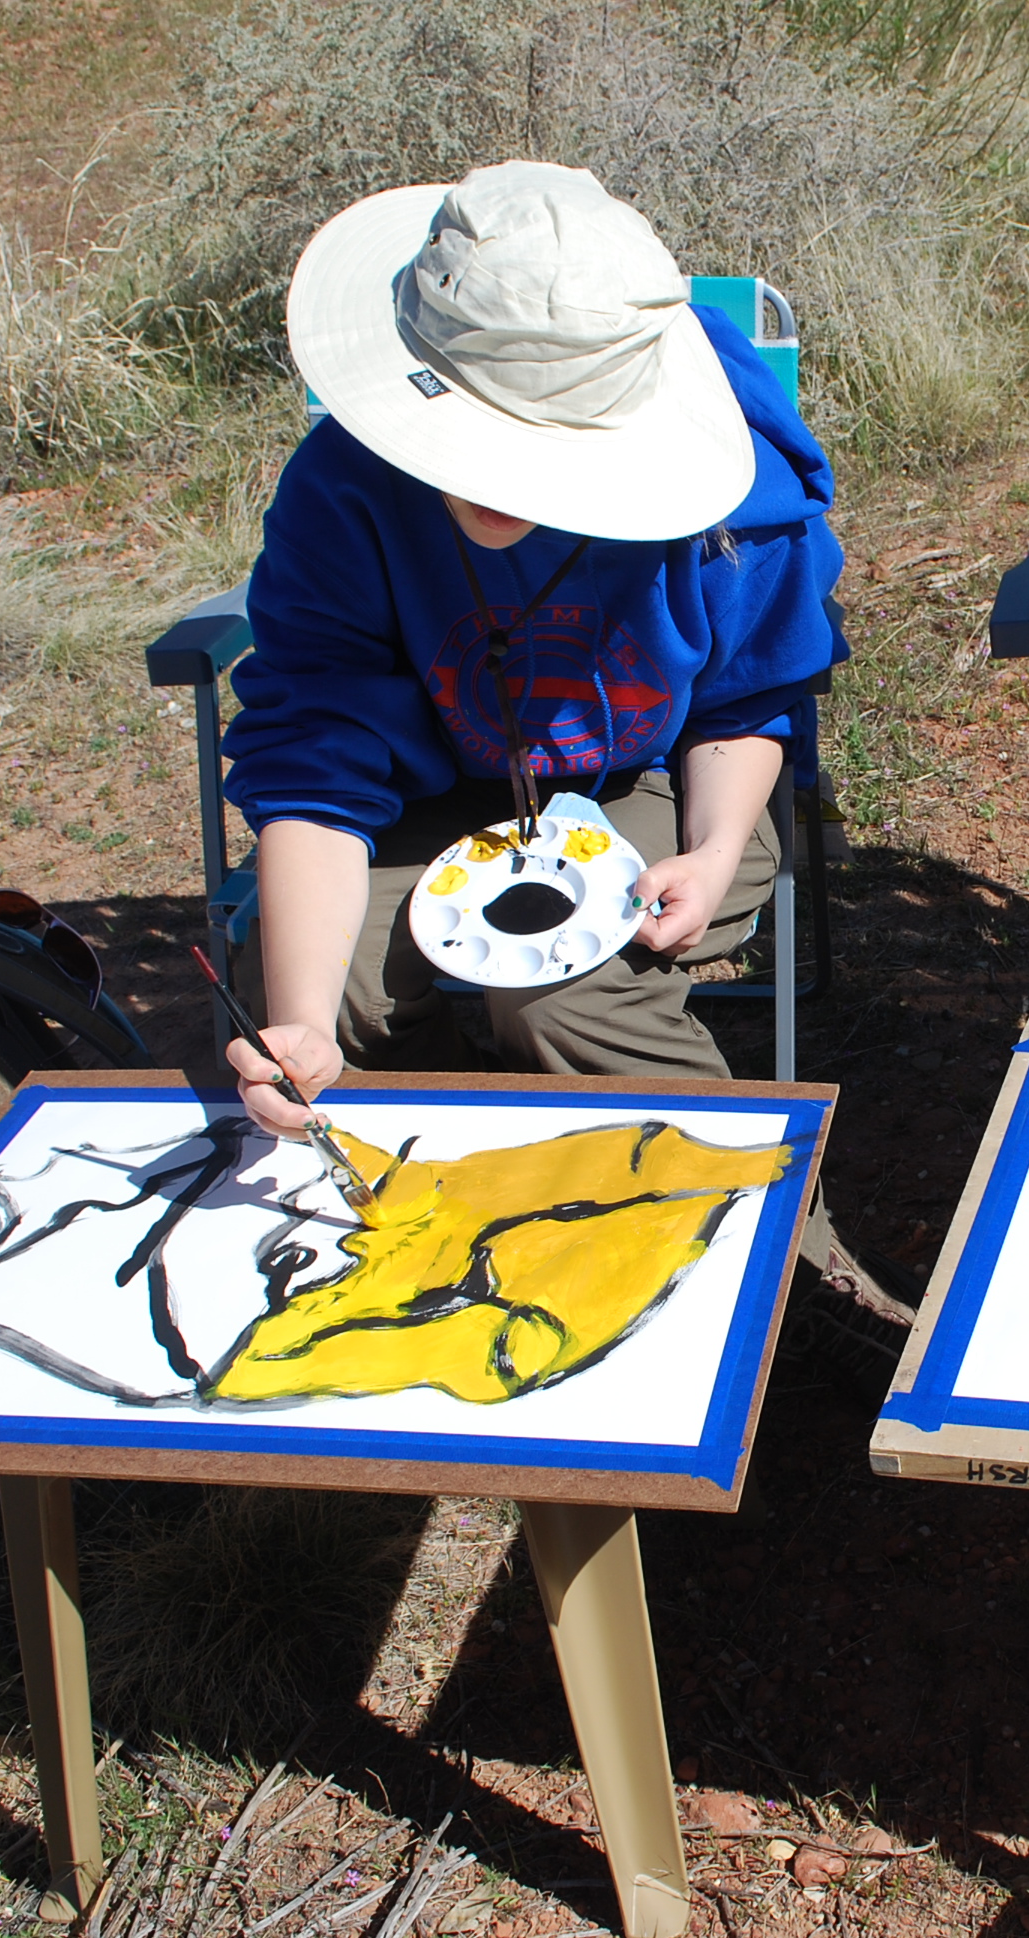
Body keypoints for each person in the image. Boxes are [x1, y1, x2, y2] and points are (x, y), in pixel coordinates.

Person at [216, 161, 899, 1312]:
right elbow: (316, 759)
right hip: (418, 801)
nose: (494, 484)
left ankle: (771, 1270)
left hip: (649, 781)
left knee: (565, 991)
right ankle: (374, 1275)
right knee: (318, 997)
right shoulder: (343, 489)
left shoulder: (737, 487)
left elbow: (742, 704)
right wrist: (294, 1019)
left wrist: (719, 848)